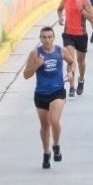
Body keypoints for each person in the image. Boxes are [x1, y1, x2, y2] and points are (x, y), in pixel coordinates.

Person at [23, 26, 76, 169]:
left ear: (54, 38)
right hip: (41, 94)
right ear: (40, 39)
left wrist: (71, 74)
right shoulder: (35, 53)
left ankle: (56, 145)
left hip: (58, 91)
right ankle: (46, 153)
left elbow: (71, 62)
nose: (47, 40)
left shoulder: (60, 51)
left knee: (54, 120)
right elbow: (26, 75)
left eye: (49, 37)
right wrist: (36, 65)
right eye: (44, 37)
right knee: (45, 126)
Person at [57, 0, 93, 97]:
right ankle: (72, 86)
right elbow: (59, 9)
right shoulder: (66, 0)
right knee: (70, 60)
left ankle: (81, 79)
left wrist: (81, 10)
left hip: (81, 35)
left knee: (81, 61)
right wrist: (60, 18)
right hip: (68, 34)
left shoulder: (85, 0)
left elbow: (92, 18)